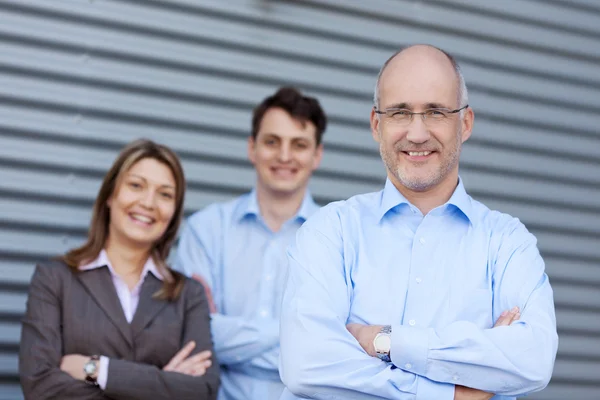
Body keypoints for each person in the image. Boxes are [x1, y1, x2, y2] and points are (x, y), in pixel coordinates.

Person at [278, 45, 559, 400]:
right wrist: (453, 392)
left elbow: (532, 360)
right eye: (399, 113)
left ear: (465, 123)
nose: (417, 133)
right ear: (376, 125)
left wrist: (382, 341)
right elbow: (307, 365)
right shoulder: (330, 231)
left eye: (436, 112)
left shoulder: (507, 243)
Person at [19, 139, 220, 400]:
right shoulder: (55, 279)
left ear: (174, 213)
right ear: (110, 195)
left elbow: (202, 391)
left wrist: (97, 369)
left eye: (165, 194)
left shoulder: (188, 294)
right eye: (136, 185)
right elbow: (40, 385)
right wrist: (164, 385)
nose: (149, 203)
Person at [173, 86, 327, 400]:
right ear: (251, 148)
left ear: (316, 156)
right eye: (272, 142)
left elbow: (335, 350)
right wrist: (294, 334)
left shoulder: (337, 239)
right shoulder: (205, 230)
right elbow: (194, 335)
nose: (284, 156)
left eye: (298, 144)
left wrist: (231, 338)